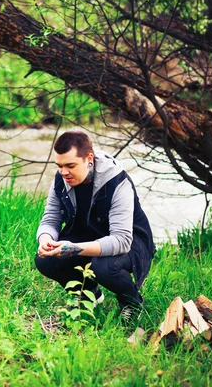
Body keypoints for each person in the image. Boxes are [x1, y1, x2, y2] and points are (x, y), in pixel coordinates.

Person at [35, 131, 155, 322]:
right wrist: (46, 240)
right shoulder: (61, 178)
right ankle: (89, 293)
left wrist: (75, 249)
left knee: (103, 267)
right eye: (59, 166)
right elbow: (50, 218)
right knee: (44, 261)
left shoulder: (117, 182)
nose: (63, 172)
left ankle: (132, 302)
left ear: (88, 159)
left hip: (131, 243)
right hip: (88, 235)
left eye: (70, 165)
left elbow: (122, 240)